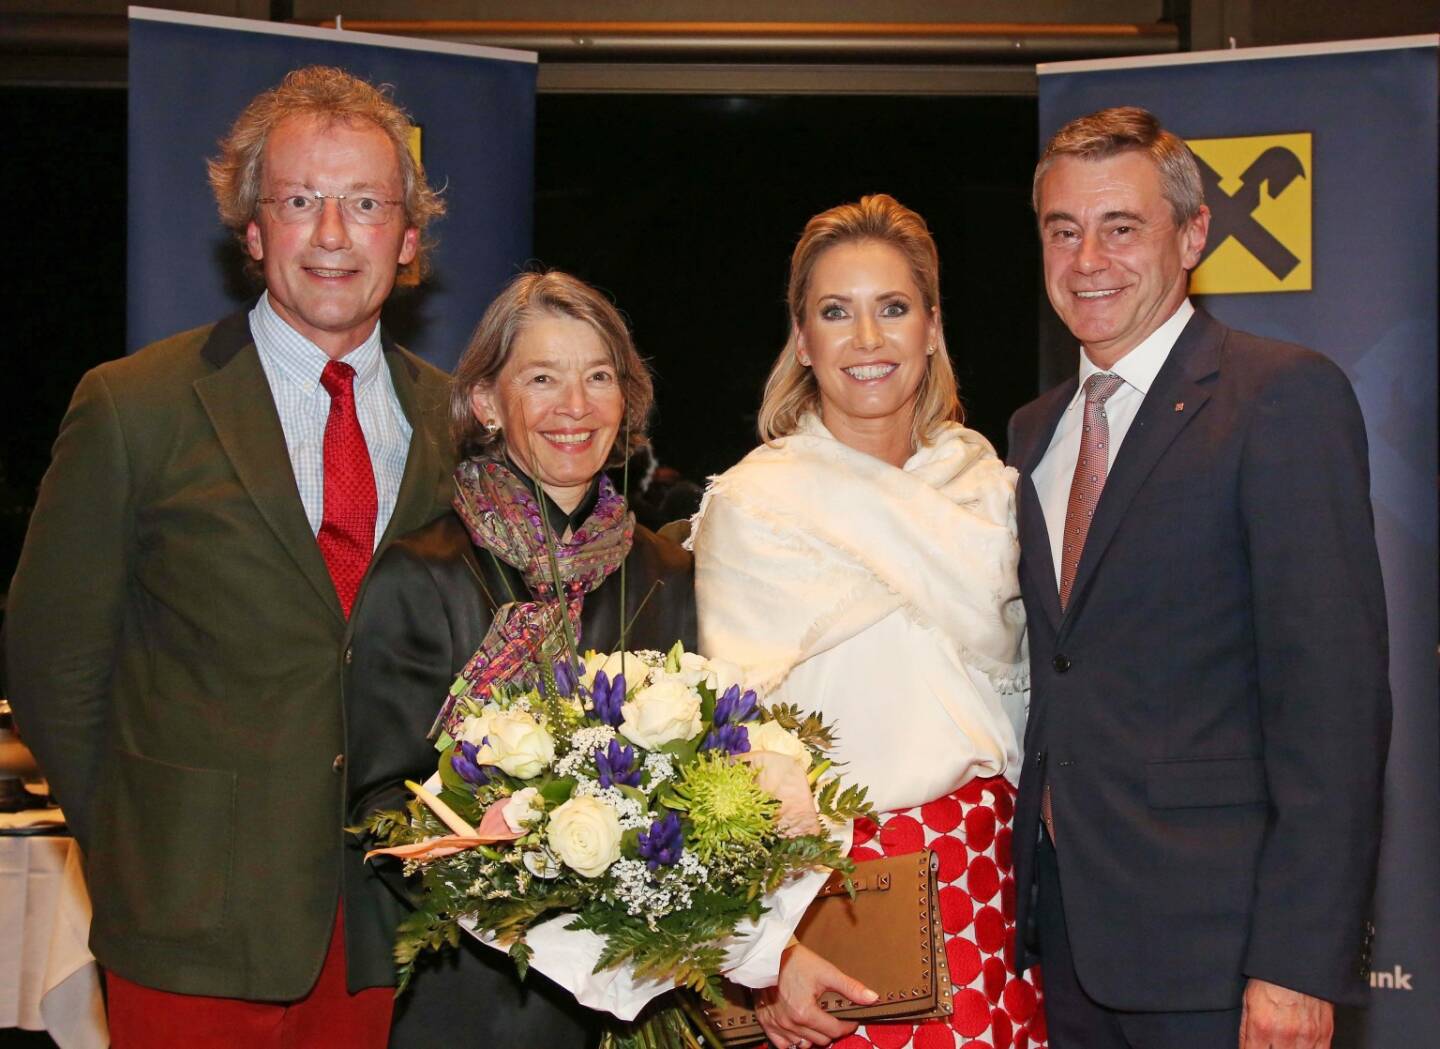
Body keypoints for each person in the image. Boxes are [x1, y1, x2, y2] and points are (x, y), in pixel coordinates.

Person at [4, 67, 454, 1047]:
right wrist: (137, 851)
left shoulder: (455, 422)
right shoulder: (136, 406)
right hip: (187, 924)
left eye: (366, 204)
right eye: (300, 201)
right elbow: (52, 659)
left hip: (385, 928)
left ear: (408, 239)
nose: (333, 235)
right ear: (252, 231)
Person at [1008, 106, 1390, 1049]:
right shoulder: (1032, 431)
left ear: (1193, 235)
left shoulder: (1280, 396)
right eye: (1064, 230)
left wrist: (1299, 961)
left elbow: (1332, 703)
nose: (1087, 258)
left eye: (1120, 227)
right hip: (1068, 941)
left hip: (1223, 957)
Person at [691, 195, 1044, 1049]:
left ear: (931, 327)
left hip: (996, 885)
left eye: (892, 308)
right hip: (836, 899)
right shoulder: (754, 505)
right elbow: (732, 750)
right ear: (803, 342)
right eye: (835, 313)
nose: (868, 340)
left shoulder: (993, 493)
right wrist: (767, 945)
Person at [346, 269, 698, 1048]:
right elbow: (378, 804)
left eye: (598, 377)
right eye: (543, 378)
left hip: (644, 1008)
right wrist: (518, 876)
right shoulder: (423, 572)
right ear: (485, 402)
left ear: (626, 400)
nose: (575, 406)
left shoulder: (668, 575)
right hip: (476, 1007)